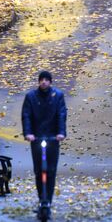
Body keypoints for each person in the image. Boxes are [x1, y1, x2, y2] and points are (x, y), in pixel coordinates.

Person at [21, 70, 67, 207]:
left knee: (51, 170)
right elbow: (26, 115)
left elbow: (61, 114)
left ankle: (49, 201)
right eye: (42, 79)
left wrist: (61, 133)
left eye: (47, 79)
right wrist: (28, 134)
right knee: (39, 170)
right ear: (38, 81)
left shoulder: (57, 96)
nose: (44, 82)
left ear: (50, 82)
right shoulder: (31, 97)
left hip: (53, 138)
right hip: (36, 138)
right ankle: (42, 198)